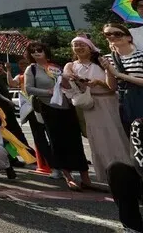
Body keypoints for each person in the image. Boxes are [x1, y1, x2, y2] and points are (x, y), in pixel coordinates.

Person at [24, 41, 91, 191]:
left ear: (46, 51)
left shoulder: (56, 67)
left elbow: (67, 86)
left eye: (39, 49)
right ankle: (68, 177)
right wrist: (47, 92)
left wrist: (68, 81)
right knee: (56, 141)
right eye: (33, 51)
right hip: (48, 107)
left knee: (75, 140)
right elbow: (28, 89)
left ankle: (85, 177)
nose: (36, 52)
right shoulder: (32, 69)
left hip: (66, 105)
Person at [63, 35, 128, 183]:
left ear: (90, 47)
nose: (78, 47)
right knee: (98, 140)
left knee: (117, 136)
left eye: (82, 44)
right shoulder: (71, 65)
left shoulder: (101, 62)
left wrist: (99, 82)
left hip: (109, 102)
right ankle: (108, 175)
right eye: (75, 45)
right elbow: (66, 78)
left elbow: (113, 86)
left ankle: (127, 172)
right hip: (90, 106)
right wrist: (75, 80)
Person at [100, 23, 143, 134]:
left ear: (129, 37)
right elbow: (112, 86)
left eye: (118, 34)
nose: (112, 37)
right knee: (135, 138)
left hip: (142, 99)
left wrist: (120, 75)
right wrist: (108, 70)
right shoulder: (109, 58)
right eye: (107, 34)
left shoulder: (142, 56)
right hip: (125, 103)